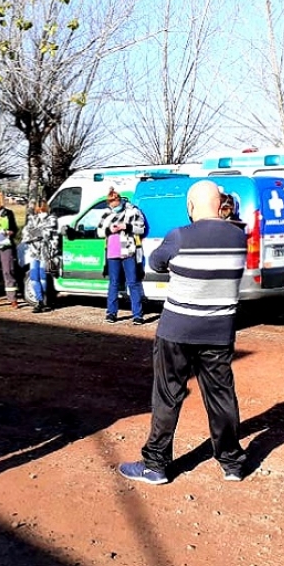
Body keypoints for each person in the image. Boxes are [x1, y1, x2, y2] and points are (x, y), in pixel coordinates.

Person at [118, 180, 249, 485]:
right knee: (221, 395)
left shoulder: (180, 236)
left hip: (177, 329)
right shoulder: (238, 237)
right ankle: (231, 463)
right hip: (219, 331)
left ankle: (156, 465)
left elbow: (156, 262)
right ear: (221, 205)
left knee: (168, 395)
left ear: (190, 207)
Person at [97, 188, 147, 325]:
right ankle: (111, 313)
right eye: (111, 206)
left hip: (128, 250)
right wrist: (109, 230)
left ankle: (137, 315)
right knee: (113, 283)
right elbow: (100, 231)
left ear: (119, 200)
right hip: (112, 251)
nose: (113, 208)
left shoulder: (133, 210)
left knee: (133, 282)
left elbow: (141, 228)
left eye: (114, 205)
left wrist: (127, 226)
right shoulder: (107, 213)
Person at [22, 200, 59, 313]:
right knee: (34, 276)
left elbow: (46, 234)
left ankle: (44, 301)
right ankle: (40, 300)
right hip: (34, 251)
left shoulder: (52, 219)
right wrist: (35, 234)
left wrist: (34, 233)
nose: (40, 208)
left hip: (46, 252)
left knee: (43, 276)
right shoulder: (32, 218)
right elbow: (25, 233)